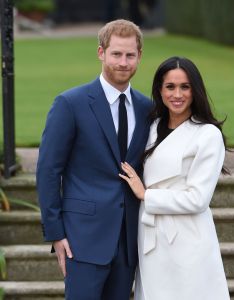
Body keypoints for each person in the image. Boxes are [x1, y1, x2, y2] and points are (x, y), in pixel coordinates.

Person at [36, 19, 152, 300]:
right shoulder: (70, 103)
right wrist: (56, 233)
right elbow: (48, 171)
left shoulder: (147, 107)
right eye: (116, 54)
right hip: (82, 238)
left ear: (139, 57)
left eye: (130, 55)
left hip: (129, 240)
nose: (123, 62)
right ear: (101, 53)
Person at [119, 56, 230, 299]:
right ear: (159, 90)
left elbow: (198, 199)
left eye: (185, 87)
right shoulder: (151, 127)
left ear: (195, 90)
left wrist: (146, 194)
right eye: (170, 87)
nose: (177, 94)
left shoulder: (207, 134)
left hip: (187, 239)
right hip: (149, 236)